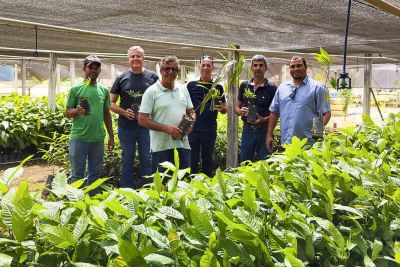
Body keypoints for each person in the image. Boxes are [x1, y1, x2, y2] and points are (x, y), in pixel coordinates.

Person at [110, 46, 158, 188]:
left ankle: (148, 190)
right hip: (126, 127)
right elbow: (110, 103)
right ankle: (126, 190)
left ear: (143, 59)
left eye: (138, 56)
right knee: (127, 159)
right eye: (133, 56)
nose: (135, 59)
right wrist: (124, 112)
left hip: (146, 127)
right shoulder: (121, 78)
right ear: (128, 59)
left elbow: (159, 100)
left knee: (147, 159)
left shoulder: (153, 77)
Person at [65, 55, 114, 190]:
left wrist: (111, 136)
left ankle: (91, 204)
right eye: (90, 67)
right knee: (77, 175)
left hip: (98, 139)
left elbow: (106, 114)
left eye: (96, 68)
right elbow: (67, 113)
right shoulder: (76, 89)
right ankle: (77, 205)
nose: (93, 70)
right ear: (84, 69)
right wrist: (75, 111)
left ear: (99, 70)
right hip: (79, 138)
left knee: (95, 175)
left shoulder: (103, 90)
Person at [138, 56, 195, 173]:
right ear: (161, 71)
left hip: (183, 145)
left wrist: (191, 123)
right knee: (164, 187)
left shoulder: (183, 89)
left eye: (174, 69)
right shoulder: (151, 92)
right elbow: (142, 119)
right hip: (161, 148)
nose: (170, 72)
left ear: (177, 72)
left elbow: (191, 111)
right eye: (167, 69)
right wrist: (166, 128)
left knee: (184, 184)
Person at [266, 55, 331, 151]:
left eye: (299, 65)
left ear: (306, 67)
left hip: (308, 144)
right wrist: (269, 135)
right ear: (289, 69)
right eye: (292, 66)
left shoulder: (318, 88)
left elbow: (326, 113)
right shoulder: (282, 88)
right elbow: (274, 112)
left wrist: (316, 133)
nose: (296, 69)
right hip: (286, 144)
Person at [187, 56, 227, 177]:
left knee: (208, 158)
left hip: (210, 129)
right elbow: (185, 105)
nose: (205, 67)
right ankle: (191, 184)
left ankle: (207, 183)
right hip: (193, 128)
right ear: (199, 66)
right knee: (192, 158)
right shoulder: (191, 85)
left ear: (213, 68)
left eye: (208, 65)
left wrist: (223, 108)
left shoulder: (218, 87)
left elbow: (224, 108)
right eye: (203, 65)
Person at [234, 55, 277, 163]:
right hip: (248, 130)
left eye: (261, 65)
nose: (258, 68)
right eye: (255, 65)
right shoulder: (245, 85)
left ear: (266, 68)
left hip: (264, 130)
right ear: (251, 68)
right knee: (245, 163)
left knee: (265, 163)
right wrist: (240, 111)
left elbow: (275, 112)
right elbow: (237, 107)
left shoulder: (272, 88)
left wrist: (263, 120)